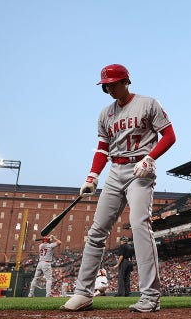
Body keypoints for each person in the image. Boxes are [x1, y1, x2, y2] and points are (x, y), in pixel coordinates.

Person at [61, 64, 176, 313]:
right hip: (115, 170)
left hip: (141, 170)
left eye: (114, 83)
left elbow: (169, 135)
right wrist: (92, 176)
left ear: (126, 81)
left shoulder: (148, 103)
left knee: (139, 225)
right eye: (106, 85)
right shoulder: (105, 114)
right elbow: (102, 148)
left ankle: (150, 296)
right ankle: (83, 293)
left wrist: (150, 157)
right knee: (96, 232)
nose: (109, 88)